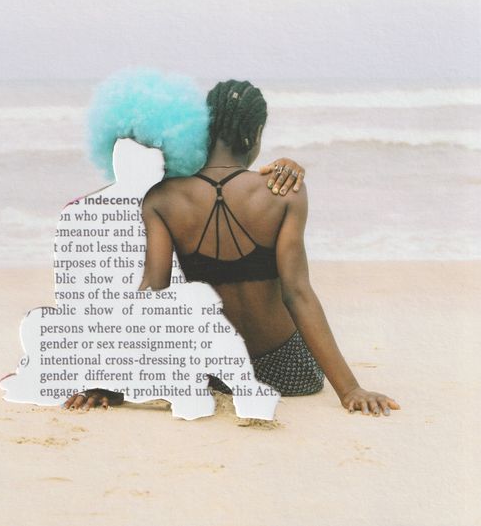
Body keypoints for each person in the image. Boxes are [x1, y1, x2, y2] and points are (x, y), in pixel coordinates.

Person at [66, 79, 400, 417]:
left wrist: (111, 381)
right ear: (254, 135)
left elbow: (155, 292)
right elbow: (297, 293)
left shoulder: (161, 199)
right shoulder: (286, 192)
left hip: (215, 370)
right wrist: (350, 390)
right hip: (290, 371)